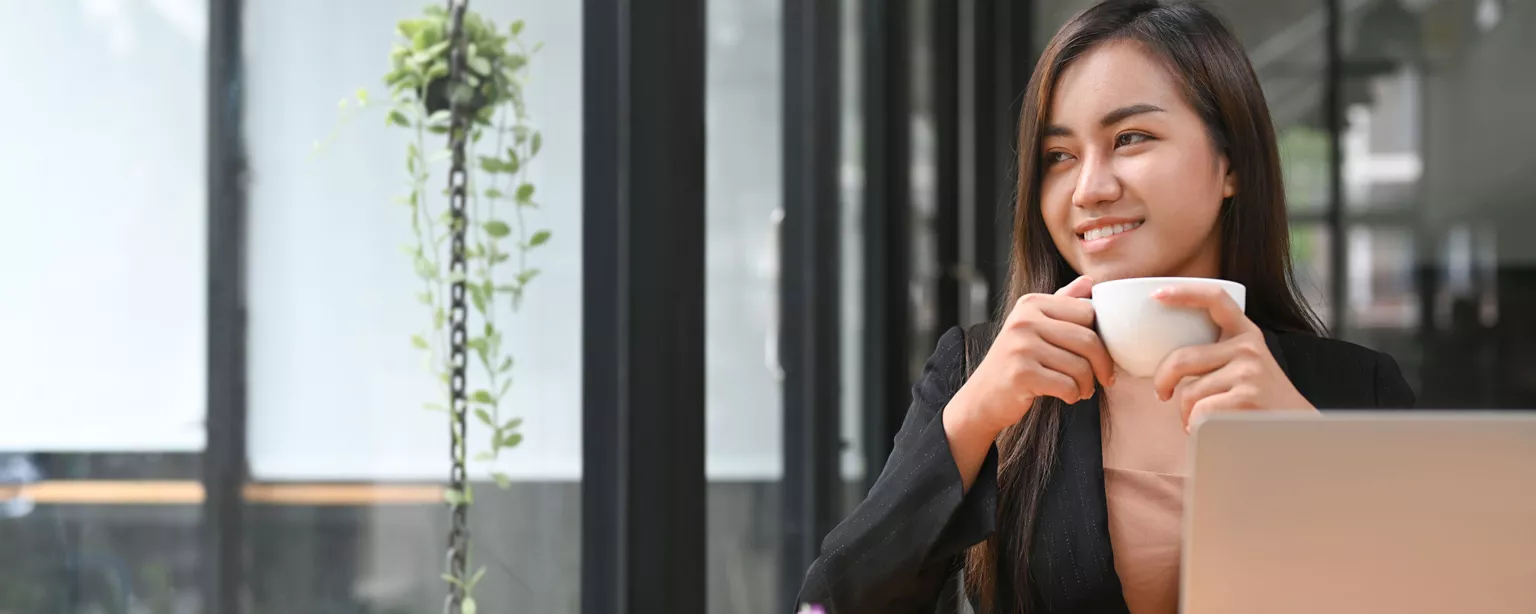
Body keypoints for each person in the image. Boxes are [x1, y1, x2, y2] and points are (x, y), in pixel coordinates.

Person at [794, 1, 1417, 613]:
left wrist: (1309, 446)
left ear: (1230, 162)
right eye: (1059, 156)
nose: (1090, 189)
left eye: (1131, 138)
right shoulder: (978, 372)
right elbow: (830, 606)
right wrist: (976, 416)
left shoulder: (1354, 388)